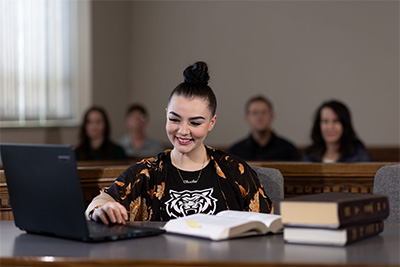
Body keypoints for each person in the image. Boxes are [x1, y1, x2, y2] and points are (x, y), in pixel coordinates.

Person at [85, 61, 273, 224]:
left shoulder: (235, 171)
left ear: (211, 122)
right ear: (167, 114)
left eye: (195, 122)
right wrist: (102, 208)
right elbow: (98, 202)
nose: (183, 131)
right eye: (175, 119)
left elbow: (267, 223)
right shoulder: (147, 173)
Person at [229, 95, 299, 161]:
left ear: (271, 116)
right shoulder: (235, 151)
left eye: (264, 112)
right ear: (247, 118)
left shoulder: (288, 150)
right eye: (254, 113)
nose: (260, 117)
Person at [302, 100, 370, 163]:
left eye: (336, 121)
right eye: (325, 121)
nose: (330, 127)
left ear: (344, 125)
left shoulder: (358, 156)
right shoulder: (310, 155)